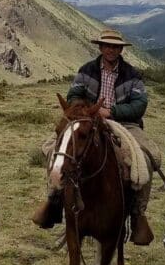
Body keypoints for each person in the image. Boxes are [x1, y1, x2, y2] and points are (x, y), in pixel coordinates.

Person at [31, 29, 157, 245]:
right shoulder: (86, 70)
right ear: (100, 47)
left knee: (146, 157)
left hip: (124, 123)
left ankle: (137, 214)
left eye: (115, 46)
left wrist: (112, 112)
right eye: (107, 45)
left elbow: (140, 104)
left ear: (120, 50)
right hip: (87, 119)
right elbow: (73, 95)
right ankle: (53, 200)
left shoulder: (132, 74)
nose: (111, 50)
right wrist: (89, 110)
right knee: (55, 148)